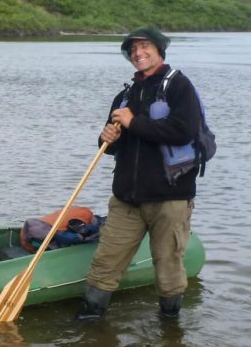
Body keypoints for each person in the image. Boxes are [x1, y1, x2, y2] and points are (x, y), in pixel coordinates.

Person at [77, 27, 202, 320]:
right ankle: (89, 324)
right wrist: (107, 137)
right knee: (104, 266)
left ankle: (170, 332)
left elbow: (183, 131)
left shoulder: (180, 87)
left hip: (169, 199)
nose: (138, 53)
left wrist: (134, 123)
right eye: (132, 49)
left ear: (159, 50)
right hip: (126, 200)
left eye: (144, 46)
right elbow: (108, 146)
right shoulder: (125, 95)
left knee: (168, 268)